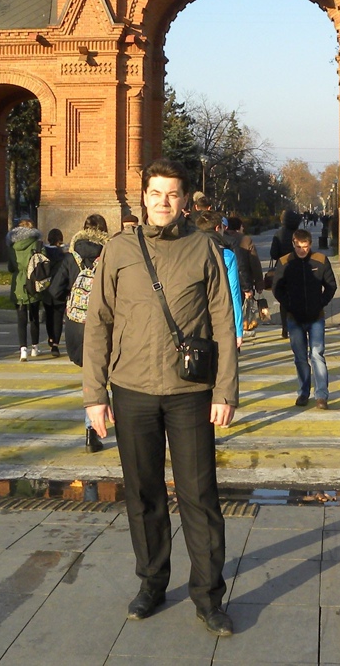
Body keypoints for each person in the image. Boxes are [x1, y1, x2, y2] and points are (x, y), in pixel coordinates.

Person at [84, 160, 238, 638]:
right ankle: (152, 582)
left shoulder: (204, 248)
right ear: (143, 197)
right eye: (155, 193)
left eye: (172, 194)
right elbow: (98, 323)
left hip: (190, 394)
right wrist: (95, 395)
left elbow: (223, 323)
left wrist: (225, 390)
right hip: (131, 392)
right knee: (144, 495)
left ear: (185, 200)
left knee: (199, 498)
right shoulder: (119, 249)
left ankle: (209, 597)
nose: (163, 202)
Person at [48, 214, 111, 447]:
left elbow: (54, 291)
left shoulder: (70, 257)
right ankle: (94, 428)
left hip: (76, 324)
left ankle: (92, 427)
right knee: (105, 376)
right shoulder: (110, 255)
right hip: (103, 323)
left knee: (91, 375)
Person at [272, 228, 337, 409]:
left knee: (317, 355)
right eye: (299, 247)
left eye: (306, 247)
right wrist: (289, 304)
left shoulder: (321, 261)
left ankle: (322, 395)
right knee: (300, 357)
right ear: (293, 244)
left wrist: (320, 303)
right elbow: (277, 288)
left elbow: (331, 285)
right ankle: (303, 392)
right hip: (294, 317)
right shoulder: (285, 262)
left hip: (316, 317)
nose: (302, 250)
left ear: (311, 245)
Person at [194, 211, 243, 350]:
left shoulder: (188, 252)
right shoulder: (227, 255)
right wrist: (238, 330)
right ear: (217, 228)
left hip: (194, 318)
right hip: (220, 317)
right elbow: (233, 293)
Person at [8, 217, 45, 361]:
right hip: (33, 281)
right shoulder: (37, 243)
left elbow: (11, 267)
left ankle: (23, 349)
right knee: (34, 316)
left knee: (21, 317)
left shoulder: (12, 246)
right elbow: (42, 262)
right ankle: (35, 347)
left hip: (18, 283)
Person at [40, 228, 66, 356]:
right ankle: (55, 343)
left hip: (47, 288)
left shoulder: (44, 252)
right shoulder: (63, 254)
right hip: (60, 288)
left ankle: (50, 337)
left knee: (49, 315)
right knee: (58, 317)